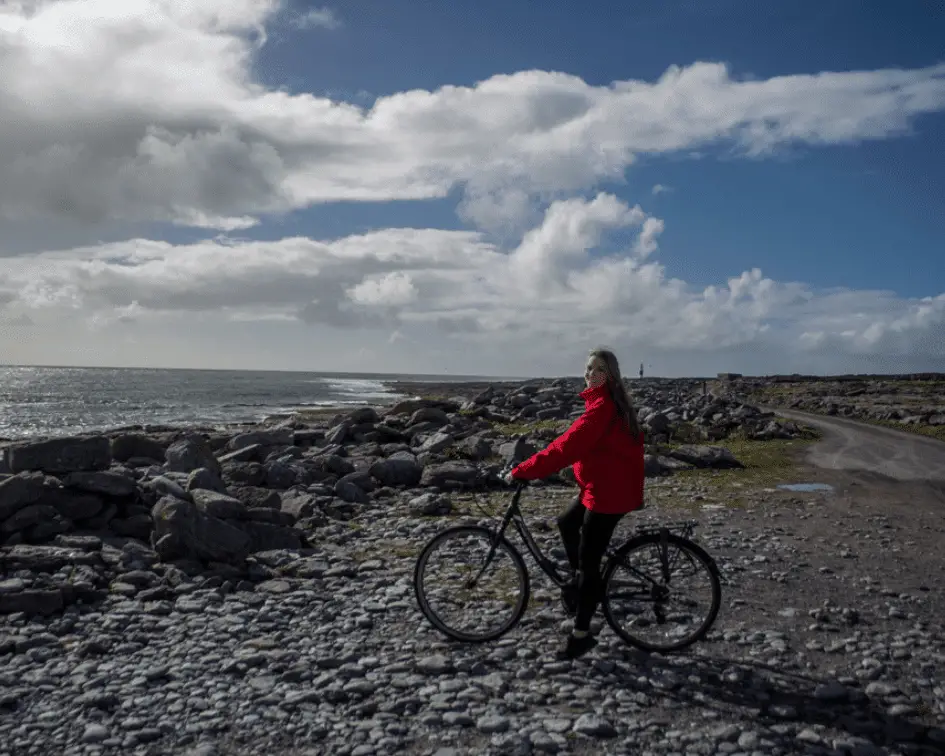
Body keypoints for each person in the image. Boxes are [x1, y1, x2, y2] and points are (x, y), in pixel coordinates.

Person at [505, 348, 646, 659]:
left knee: (589, 563)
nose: (590, 374)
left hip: (609, 493)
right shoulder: (604, 404)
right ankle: (578, 585)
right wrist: (529, 466)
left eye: (598, 369)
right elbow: (566, 443)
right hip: (602, 487)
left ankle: (581, 634)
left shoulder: (602, 409)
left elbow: (565, 449)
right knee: (567, 522)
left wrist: (522, 471)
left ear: (610, 376)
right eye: (588, 368)